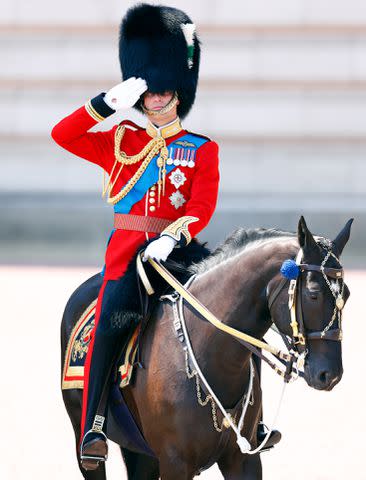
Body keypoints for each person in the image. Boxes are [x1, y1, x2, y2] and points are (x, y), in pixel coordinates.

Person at [51, 3, 220, 471]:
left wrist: (176, 234)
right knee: (108, 322)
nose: (158, 97)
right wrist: (107, 102)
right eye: (150, 89)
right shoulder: (121, 139)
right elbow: (62, 134)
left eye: (165, 89)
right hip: (128, 256)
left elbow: (201, 206)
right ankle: (94, 426)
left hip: (178, 254)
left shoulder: (202, 150)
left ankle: (245, 419)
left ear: (179, 92)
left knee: (232, 308)